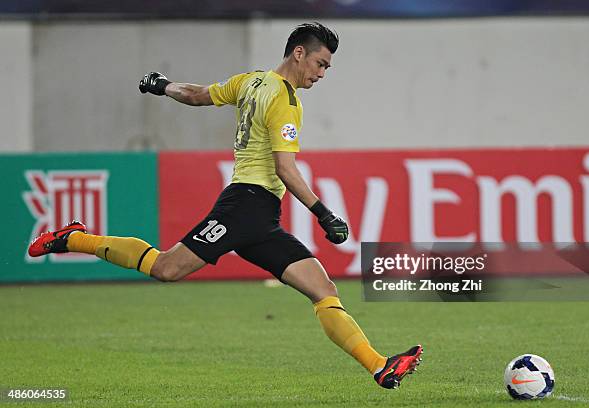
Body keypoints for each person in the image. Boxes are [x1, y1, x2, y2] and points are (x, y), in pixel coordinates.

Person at [28, 22, 421, 389]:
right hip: (244, 206)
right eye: (321, 64)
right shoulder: (285, 101)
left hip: (261, 218)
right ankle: (74, 239)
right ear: (299, 53)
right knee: (166, 268)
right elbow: (285, 168)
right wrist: (324, 213)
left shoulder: (250, 82)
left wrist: (163, 85)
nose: (321, 73)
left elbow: (198, 95)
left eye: (327, 68)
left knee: (323, 289)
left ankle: (379, 365)